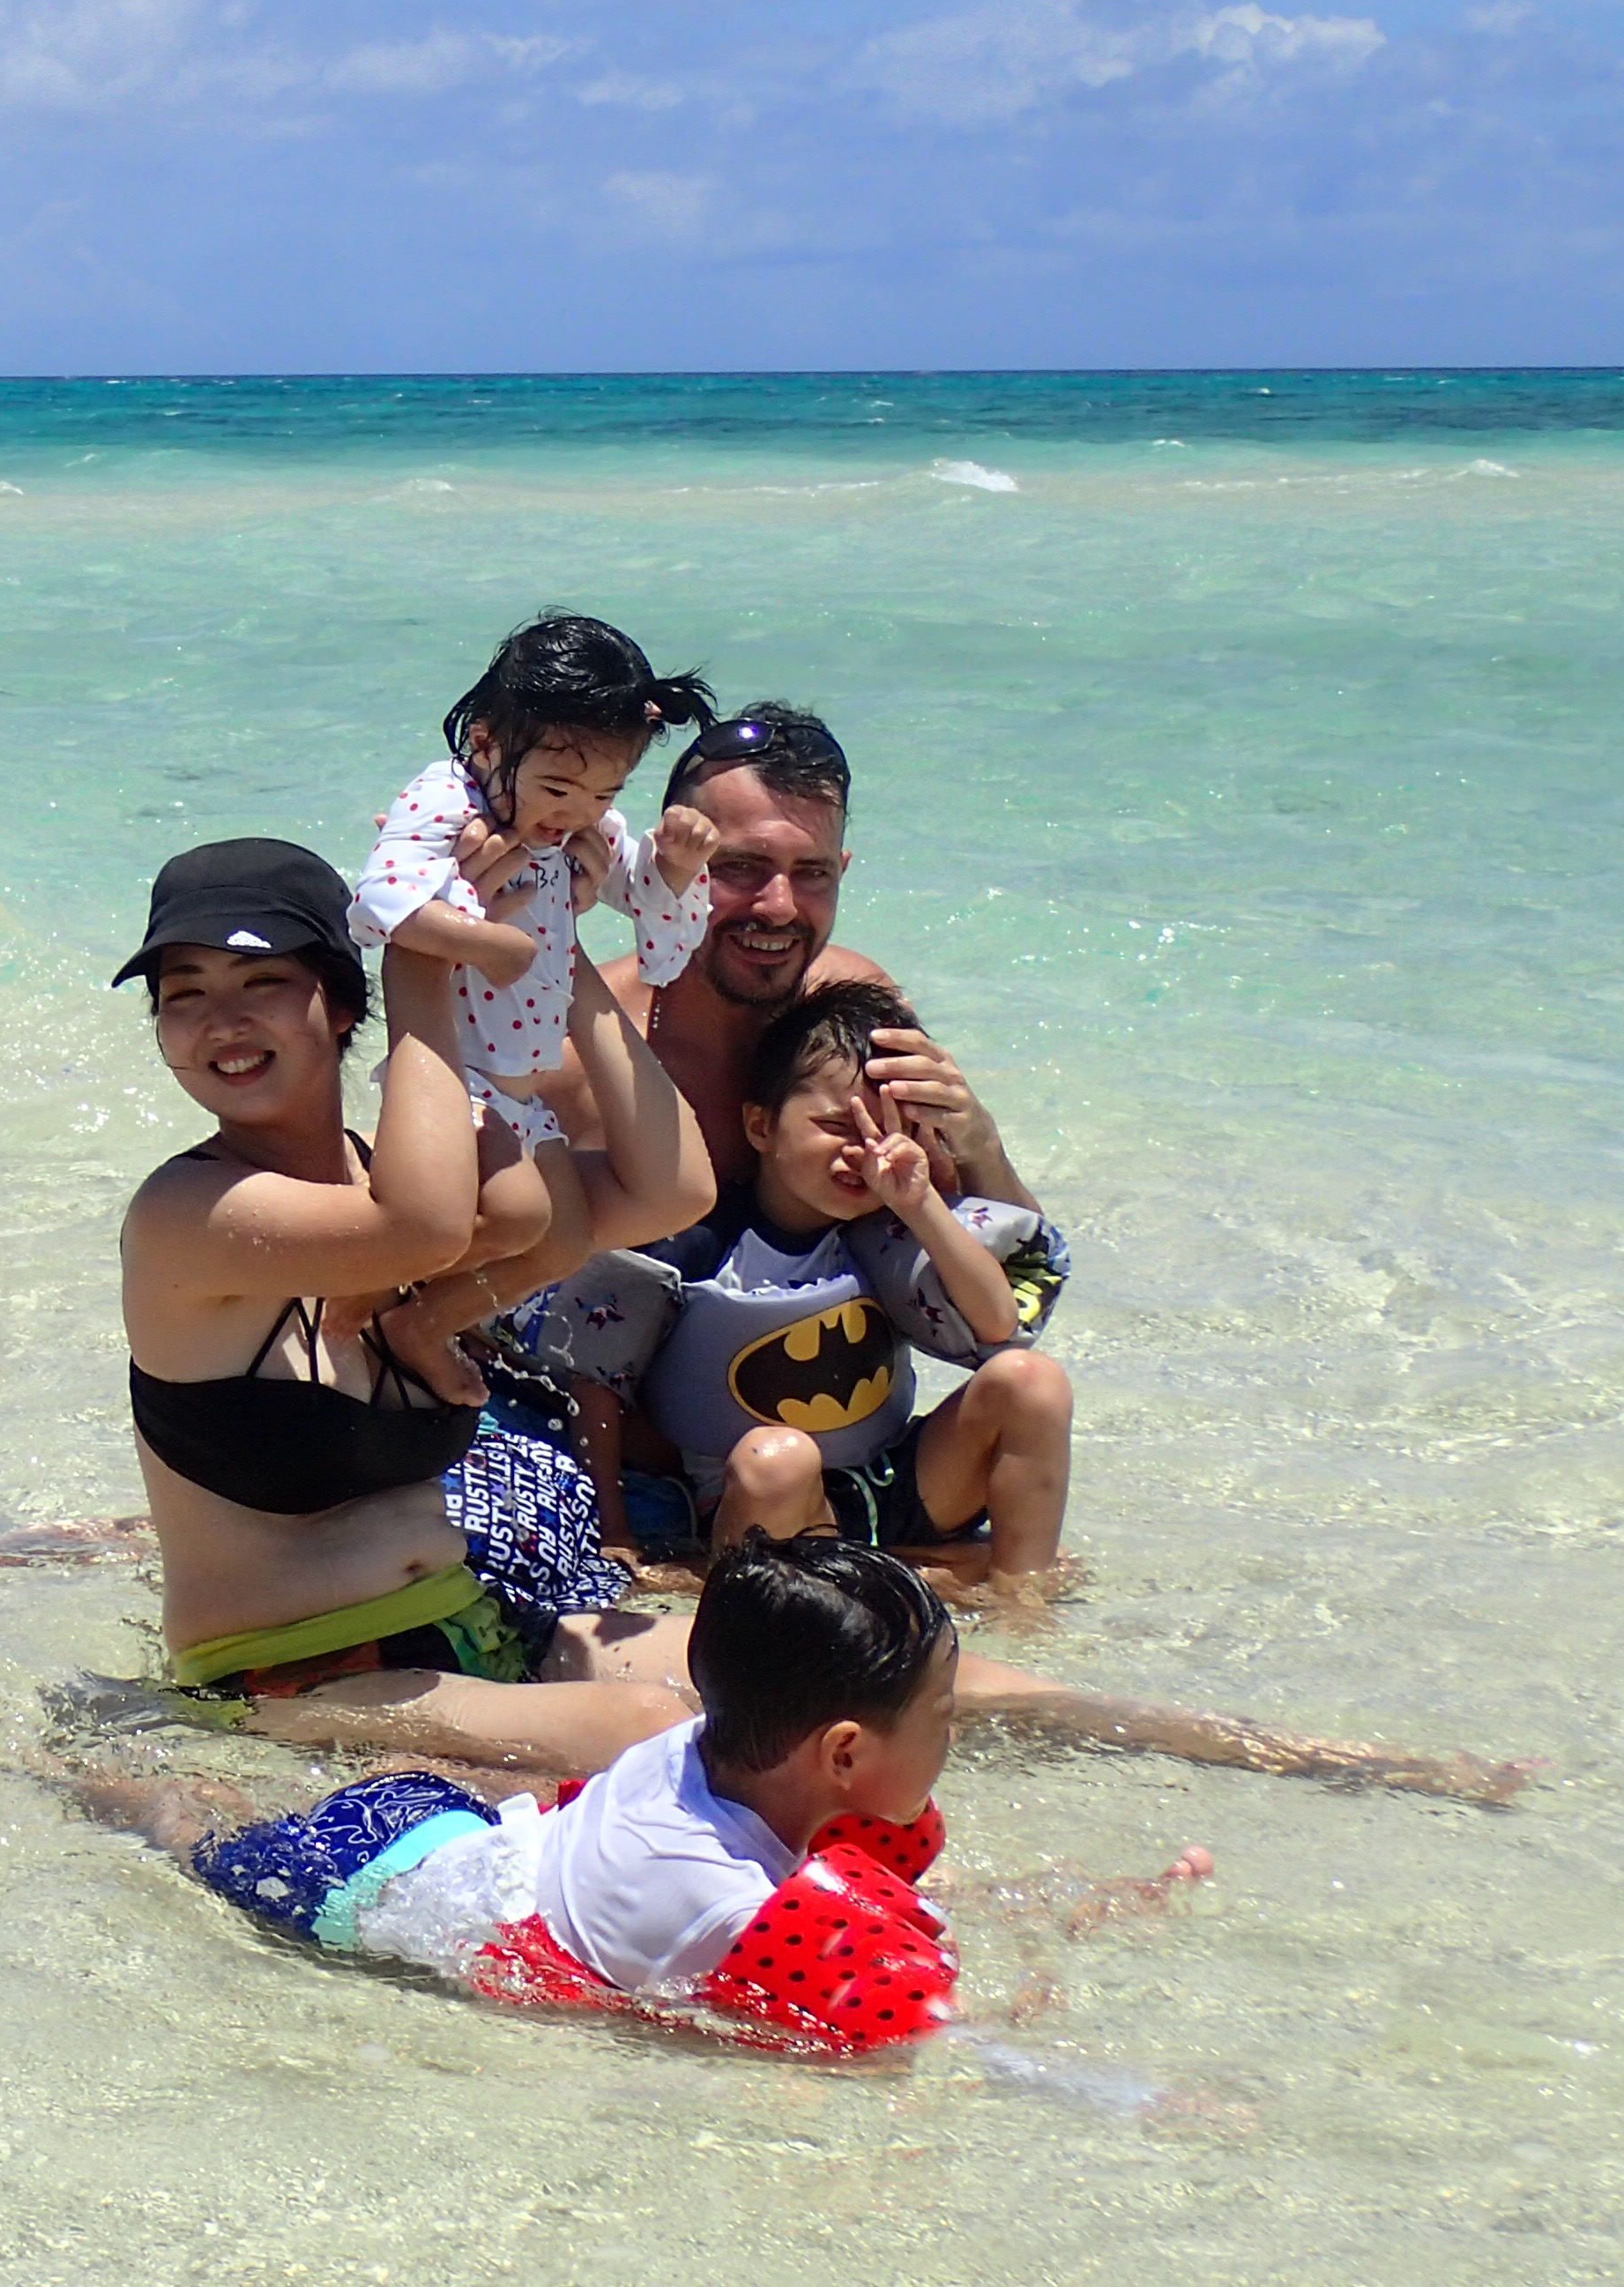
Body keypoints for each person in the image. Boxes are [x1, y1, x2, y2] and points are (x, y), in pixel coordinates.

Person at [116, 837, 719, 1774]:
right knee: (651, 1733)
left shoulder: (403, 1185)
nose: (221, 1023)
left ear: (338, 1002)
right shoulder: (187, 1215)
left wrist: (553, 946)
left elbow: (673, 1189)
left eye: (262, 982)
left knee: (842, 1664)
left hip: (473, 1625)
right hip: (289, 1678)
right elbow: (421, 1230)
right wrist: (422, 951)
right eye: (183, 995)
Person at [69, 1533, 977, 2055]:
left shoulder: (698, 1746)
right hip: (356, 1887)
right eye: (940, 1715)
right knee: (185, 1830)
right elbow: (850, 2043)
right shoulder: (722, 1909)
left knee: (209, 1806)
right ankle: (58, 1774)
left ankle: (92, 1766)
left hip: (451, 1832)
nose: (950, 1735)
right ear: (843, 1752)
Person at [551, 983, 1075, 1571]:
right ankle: (915, 1569)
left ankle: (1020, 1594)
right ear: (761, 1126)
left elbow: (1000, 1327)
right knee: (780, 1457)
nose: (866, 1153)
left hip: (888, 1482)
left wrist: (922, 1205)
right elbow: (596, 1377)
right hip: (763, 1500)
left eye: (888, 1132)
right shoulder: (693, 1246)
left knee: (1031, 1382)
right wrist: (613, 1530)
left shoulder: (894, 1232)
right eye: (838, 1125)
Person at [570, 703, 1037, 1209]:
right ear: (666, 862)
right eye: (741, 867)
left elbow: (1015, 1249)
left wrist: (980, 1149)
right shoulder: (579, 1053)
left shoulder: (859, 1015)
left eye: (812, 873)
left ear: (841, 872)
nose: (779, 907)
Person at [352, 613, 721, 1164]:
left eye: (605, 793)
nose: (577, 812)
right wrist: (491, 946)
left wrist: (676, 867)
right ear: (485, 743)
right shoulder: (448, 800)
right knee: (519, 1208)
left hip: (527, 1101)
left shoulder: (578, 825)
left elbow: (635, 890)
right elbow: (379, 899)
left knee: (558, 1219)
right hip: (456, 1084)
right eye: (556, 787)